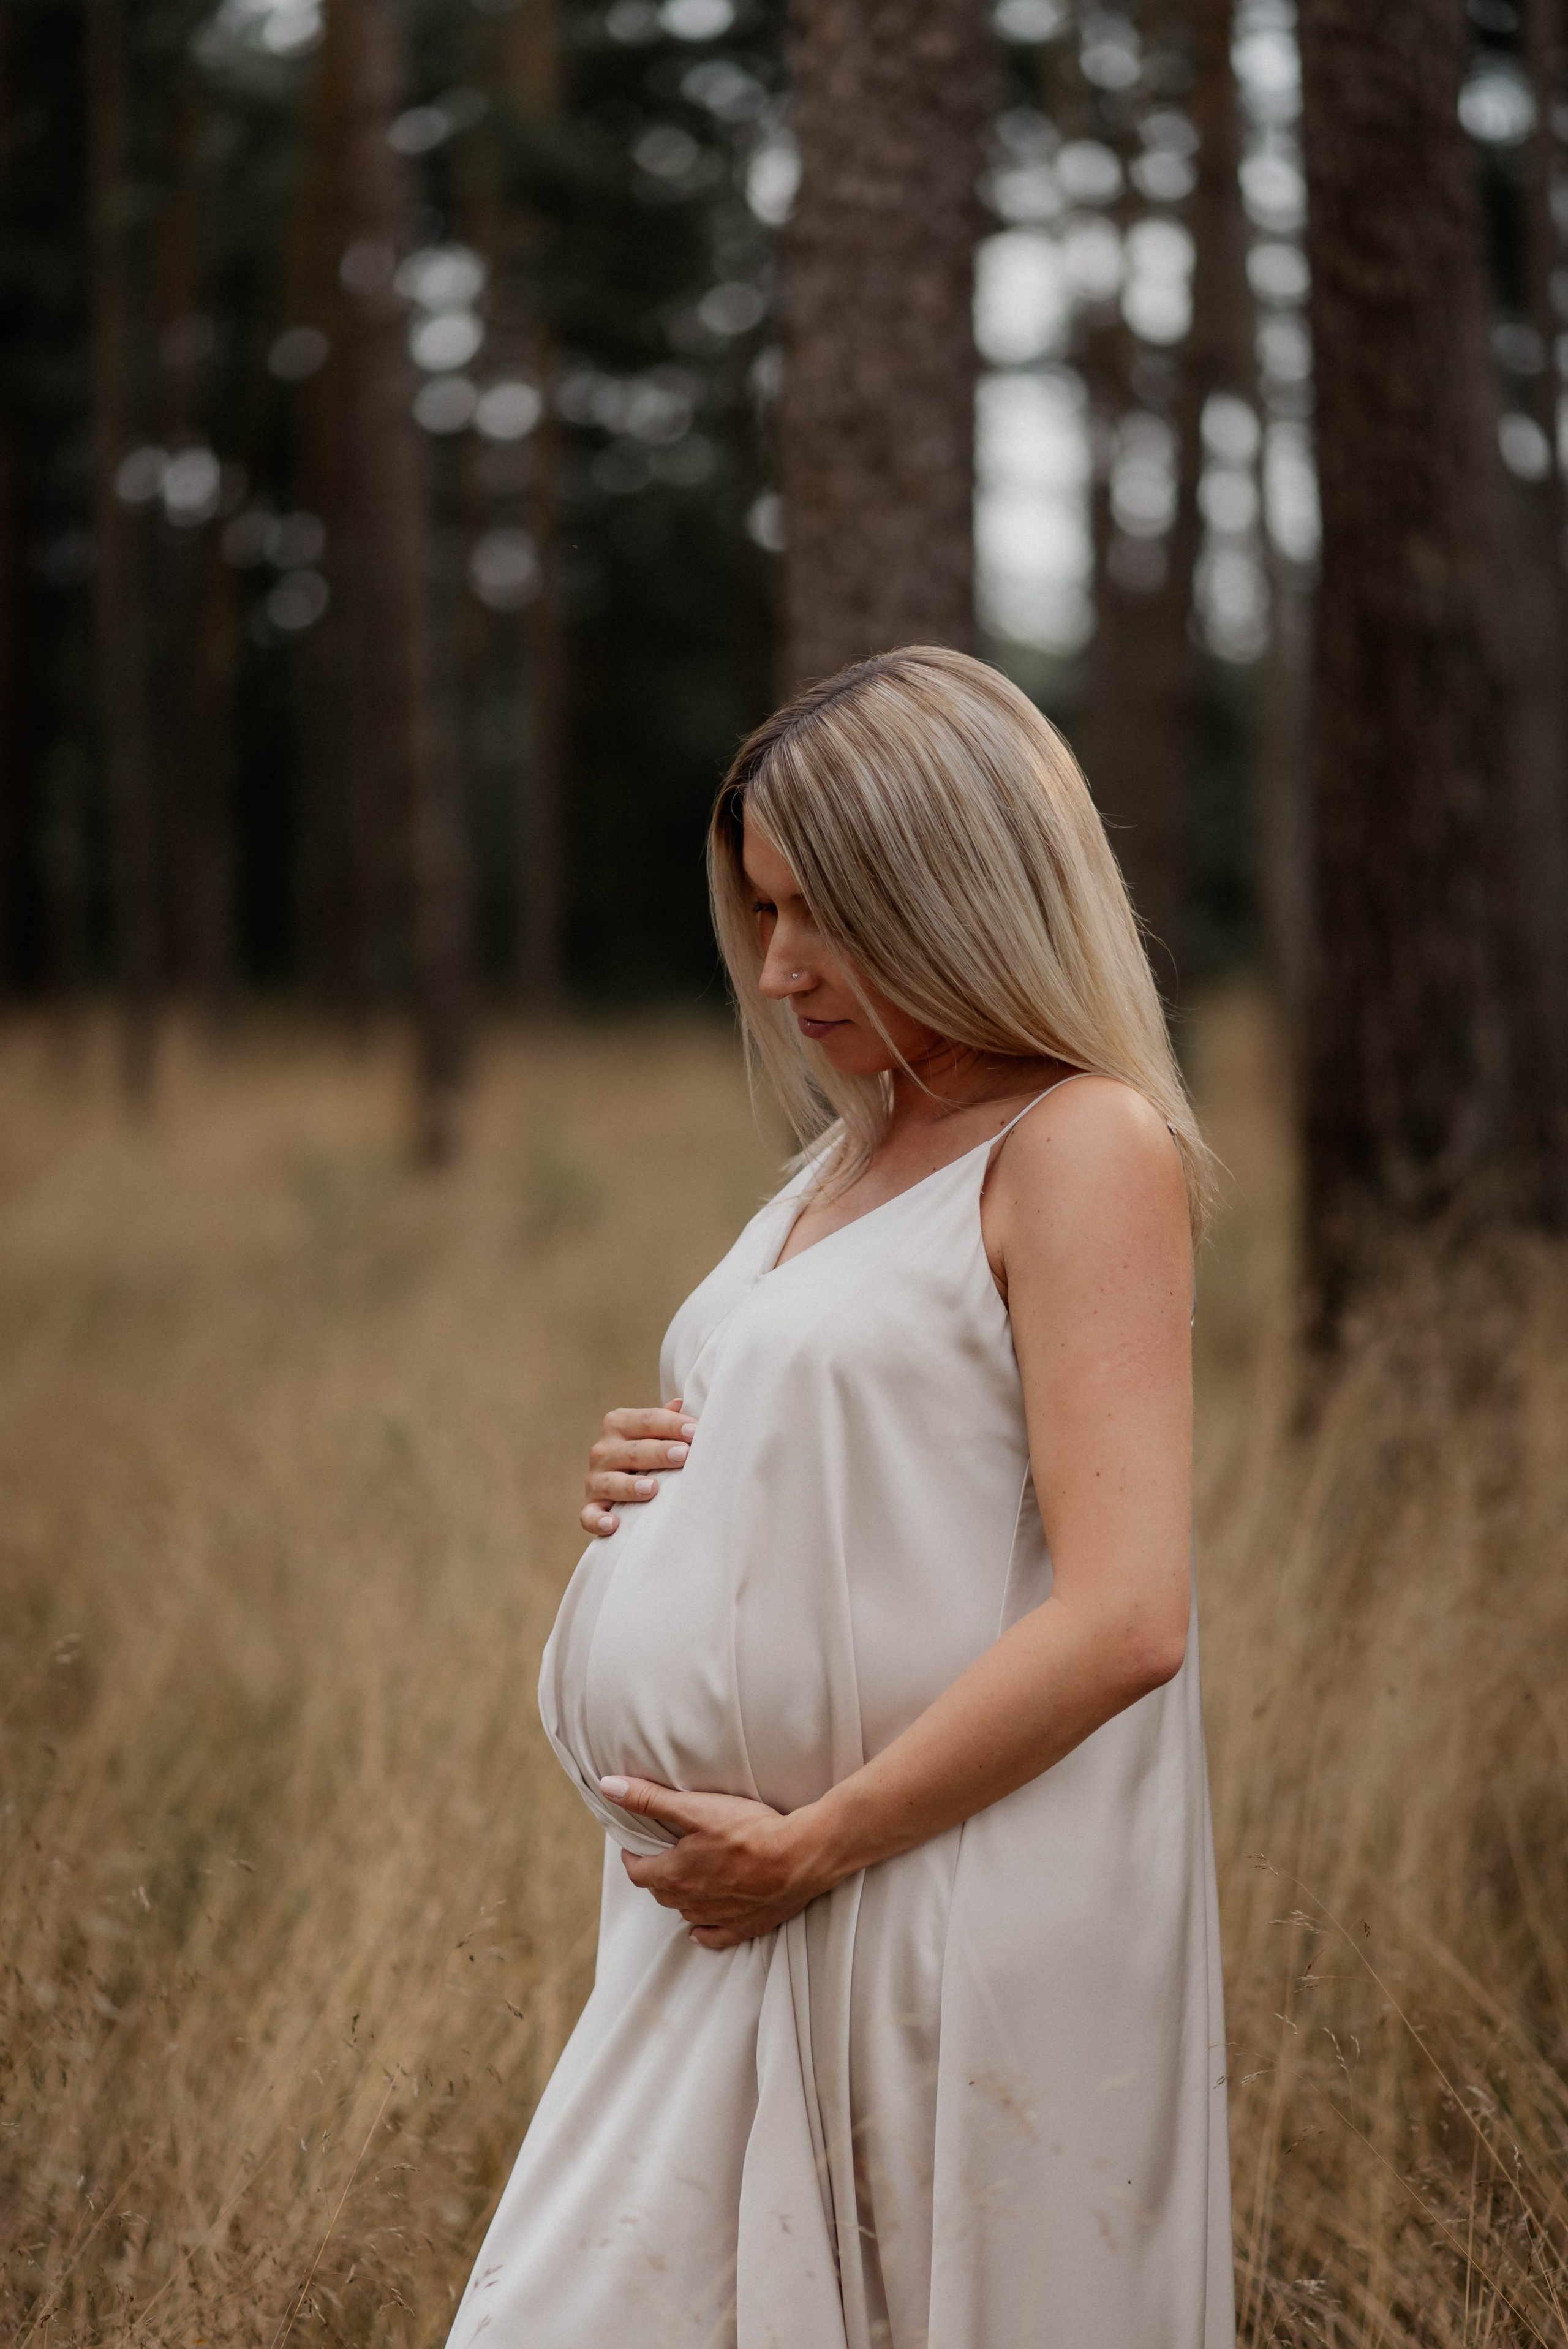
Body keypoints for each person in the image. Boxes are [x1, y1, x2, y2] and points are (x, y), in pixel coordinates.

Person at [447, 646, 1234, 2349]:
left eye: (825, 915)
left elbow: (1129, 1612)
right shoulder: (859, 1141)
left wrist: (815, 1844)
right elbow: (859, 1438)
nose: (779, 966)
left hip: (917, 1898)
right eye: (763, 910)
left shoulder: (1080, 1144)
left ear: (952, 896)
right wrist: (660, 1478)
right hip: (740, 1920)